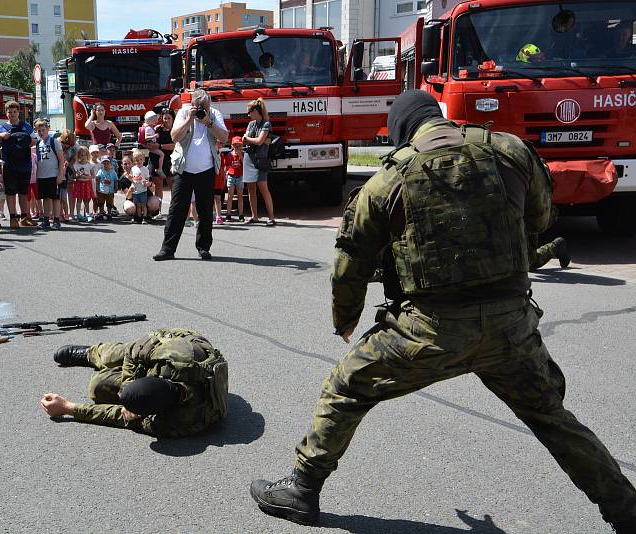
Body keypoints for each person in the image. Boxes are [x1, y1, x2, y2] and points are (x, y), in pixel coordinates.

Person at [249, 90, 636, 533]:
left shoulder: (386, 182)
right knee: (553, 419)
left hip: (428, 331)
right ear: (439, 118)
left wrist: (346, 319)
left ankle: (301, 489)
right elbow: (540, 219)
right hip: (510, 326)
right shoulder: (510, 151)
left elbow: (350, 265)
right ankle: (626, 511)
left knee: (346, 388)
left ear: (400, 131)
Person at [40, 328, 228, 438]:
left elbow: (120, 418)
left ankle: (114, 375)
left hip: (194, 384)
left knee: (97, 387)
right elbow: (132, 352)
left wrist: (69, 408)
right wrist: (127, 389)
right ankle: (92, 353)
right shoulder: (170, 357)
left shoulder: (177, 422)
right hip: (179, 341)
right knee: (114, 355)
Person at [153, 89, 228, 261]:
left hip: (206, 170)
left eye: (205, 106)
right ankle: (167, 249)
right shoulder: (184, 112)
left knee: (205, 210)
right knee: (176, 210)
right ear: (193, 104)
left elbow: (224, 138)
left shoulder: (215, 114)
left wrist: (208, 122)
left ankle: (204, 248)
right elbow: (174, 136)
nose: (202, 109)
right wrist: (189, 119)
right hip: (183, 170)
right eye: (199, 106)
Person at [0, 101, 37, 229]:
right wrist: (0, 137)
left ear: (19, 112)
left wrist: (23, 143)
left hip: (25, 164)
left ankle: (24, 217)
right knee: (11, 193)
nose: (12, 114)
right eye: (9, 112)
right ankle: (13, 218)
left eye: (14, 112)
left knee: (24, 192)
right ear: (6, 113)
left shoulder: (27, 126)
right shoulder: (1, 128)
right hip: (9, 166)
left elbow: (34, 141)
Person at [241, 98, 276, 226]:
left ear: (256, 111)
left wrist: (251, 139)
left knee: (263, 187)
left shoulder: (266, 124)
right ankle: (254, 216)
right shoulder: (251, 124)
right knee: (250, 189)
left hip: (261, 159)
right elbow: (249, 139)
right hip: (249, 157)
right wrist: (255, 140)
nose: (248, 115)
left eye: (249, 112)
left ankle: (271, 217)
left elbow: (258, 141)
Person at [34, 119, 65, 230]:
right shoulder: (38, 143)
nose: (41, 132)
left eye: (43, 130)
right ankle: (46, 219)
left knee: (55, 198)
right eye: (39, 130)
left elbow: (61, 159)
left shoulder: (54, 141)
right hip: (41, 176)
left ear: (47, 129)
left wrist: (60, 174)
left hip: (53, 174)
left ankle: (56, 220)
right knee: (45, 198)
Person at [154, 108, 176, 208]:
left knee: (173, 185)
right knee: (158, 185)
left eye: (169, 118)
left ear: (173, 118)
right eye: (165, 118)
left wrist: (160, 146)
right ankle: (157, 209)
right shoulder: (158, 129)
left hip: (171, 159)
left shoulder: (176, 129)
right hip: (158, 158)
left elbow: (175, 145)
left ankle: (175, 208)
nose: (166, 120)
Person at [224, 136, 244, 222]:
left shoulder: (242, 154)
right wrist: (226, 174)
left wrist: (240, 155)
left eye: (239, 145)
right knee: (230, 196)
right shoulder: (229, 155)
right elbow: (226, 167)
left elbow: (245, 165)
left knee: (240, 196)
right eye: (235, 145)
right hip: (231, 176)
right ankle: (228, 214)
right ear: (232, 146)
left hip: (240, 176)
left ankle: (241, 215)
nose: (237, 147)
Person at [72, 145, 95, 222]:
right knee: (79, 200)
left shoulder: (89, 165)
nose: (83, 156)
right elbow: (74, 176)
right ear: (78, 155)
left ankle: (88, 214)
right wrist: (77, 176)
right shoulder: (76, 165)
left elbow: (93, 176)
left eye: (85, 155)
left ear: (87, 155)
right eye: (81, 155)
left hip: (87, 184)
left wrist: (87, 177)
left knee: (86, 200)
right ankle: (78, 214)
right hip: (79, 184)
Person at [139, 110, 165, 177]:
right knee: (162, 154)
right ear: (150, 120)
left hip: (151, 144)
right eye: (154, 119)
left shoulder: (150, 127)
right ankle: (160, 169)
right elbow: (146, 138)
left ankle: (149, 167)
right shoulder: (148, 128)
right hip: (151, 145)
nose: (156, 120)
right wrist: (154, 136)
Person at [58, 129, 77, 222]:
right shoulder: (57, 143)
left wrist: (69, 166)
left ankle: (71, 213)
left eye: (69, 145)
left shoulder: (74, 146)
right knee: (60, 195)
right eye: (66, 144)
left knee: (70, 191)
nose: (67, 146)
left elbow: (74, 158)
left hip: (69, 168)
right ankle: (59, 213)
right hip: (59, 169)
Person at [95, 155, 118, 220]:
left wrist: (116, 188)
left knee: (109, 202)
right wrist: (97, 187)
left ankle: (109, 213)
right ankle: (101, 212)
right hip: (101, 190)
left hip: (110, 191)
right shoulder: (101, 171)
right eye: (104, 163)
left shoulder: (113, 172)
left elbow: (115, 180)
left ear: (110, 164)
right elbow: (98, 179)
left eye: (107, 163)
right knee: (101, 202)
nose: (106, 165)